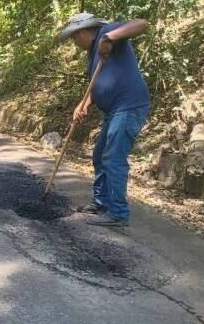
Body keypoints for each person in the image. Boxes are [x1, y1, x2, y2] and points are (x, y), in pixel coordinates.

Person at [59, 12, 150, 227]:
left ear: (82, 32)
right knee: (100, 156)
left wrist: (109, 38)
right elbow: (98, 84)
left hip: (128, 106)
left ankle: (118, 213)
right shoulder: (92, 54)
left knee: (113, 158)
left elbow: (142, 23)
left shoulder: (106, 32)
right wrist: (84, 104)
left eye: (74, 38)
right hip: (114, 111)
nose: (74, 43)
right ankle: (101, 203)